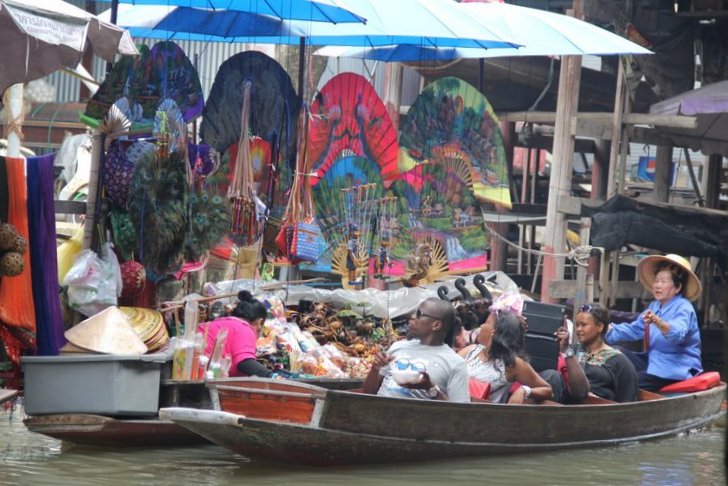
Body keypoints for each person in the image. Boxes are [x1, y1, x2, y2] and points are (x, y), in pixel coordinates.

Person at [605, 254, 703, 391]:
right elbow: (635, 329)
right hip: (653, 361)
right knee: (615, 352)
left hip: (675, 368)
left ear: (677, 287)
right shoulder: (654, 307)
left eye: (663, 282)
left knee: (627, 381)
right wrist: (605, 330)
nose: (657, 285)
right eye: (656, 281)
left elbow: (677, 334)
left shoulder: (684, 307)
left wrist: (658, 322)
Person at [363, 298, 470, 402]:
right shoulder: (398, 346)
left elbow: (459, 413)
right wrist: (375, 369)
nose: (412, 317)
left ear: (436, 325)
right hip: (378, 413)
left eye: (419, 314)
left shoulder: (455, 363)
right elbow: (368, 394)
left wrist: (430, 388)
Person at [544, 303, 638, 403]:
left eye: (583, 325)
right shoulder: (572, 351)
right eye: (577, 325)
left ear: (600, 327)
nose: (578, 329)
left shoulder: (620, 362)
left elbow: (627, 401)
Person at [458, 308, 553, 404]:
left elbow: (547, 390)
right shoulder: (471, 350)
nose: (481, 326)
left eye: (486, 323)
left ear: (494, 332)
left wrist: (524, 391)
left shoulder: (512, 363)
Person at [198, 290, 276, 378]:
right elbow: (245, 362)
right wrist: (273, 377)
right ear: (259, 322)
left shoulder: (219, 323)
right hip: (201, 378)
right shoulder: (245, 329)